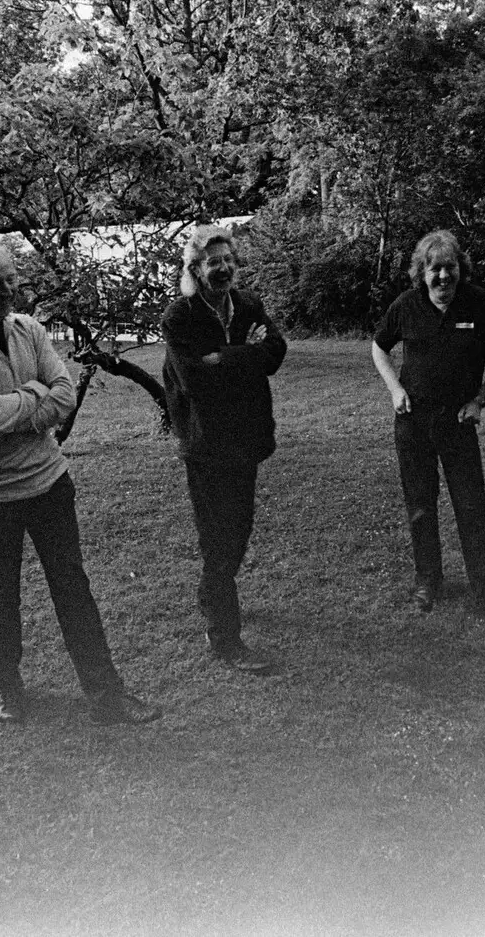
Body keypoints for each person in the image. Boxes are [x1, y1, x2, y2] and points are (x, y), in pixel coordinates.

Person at [0, 238, 162, 726]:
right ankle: (9, 690)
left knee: (73, 588)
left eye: (12, 278)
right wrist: (35, 396)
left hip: (49, 481)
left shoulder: (29, 329)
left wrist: (20, 400)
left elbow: (66, 398)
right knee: (1, 592)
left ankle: (106, 695)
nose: (8, 289)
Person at [371, 229, 485, 628]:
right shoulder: (406, 306)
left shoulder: (480, 305)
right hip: (413, 423)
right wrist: (395, 389)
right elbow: (378, 347)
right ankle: (428, 580)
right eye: (434, 269)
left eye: (450, 267)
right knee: (420, 507)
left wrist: (480, 400)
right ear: (421, 272)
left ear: (461, 269)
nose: (443, 277)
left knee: (472, 507)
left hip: (458, 423)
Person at [161, 223, 287, 673]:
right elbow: (194, 381)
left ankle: (210, 594)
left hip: (246, 437)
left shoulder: (248, 304)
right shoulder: (180, 317)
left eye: (229, 260)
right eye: (214, 262)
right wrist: (242, 357)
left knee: (240, 529)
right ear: (195, 268)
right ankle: (225, 638)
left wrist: (224, 357)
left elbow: (275, 352)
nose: (224, 268)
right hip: (206, 443)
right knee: (217, 539)